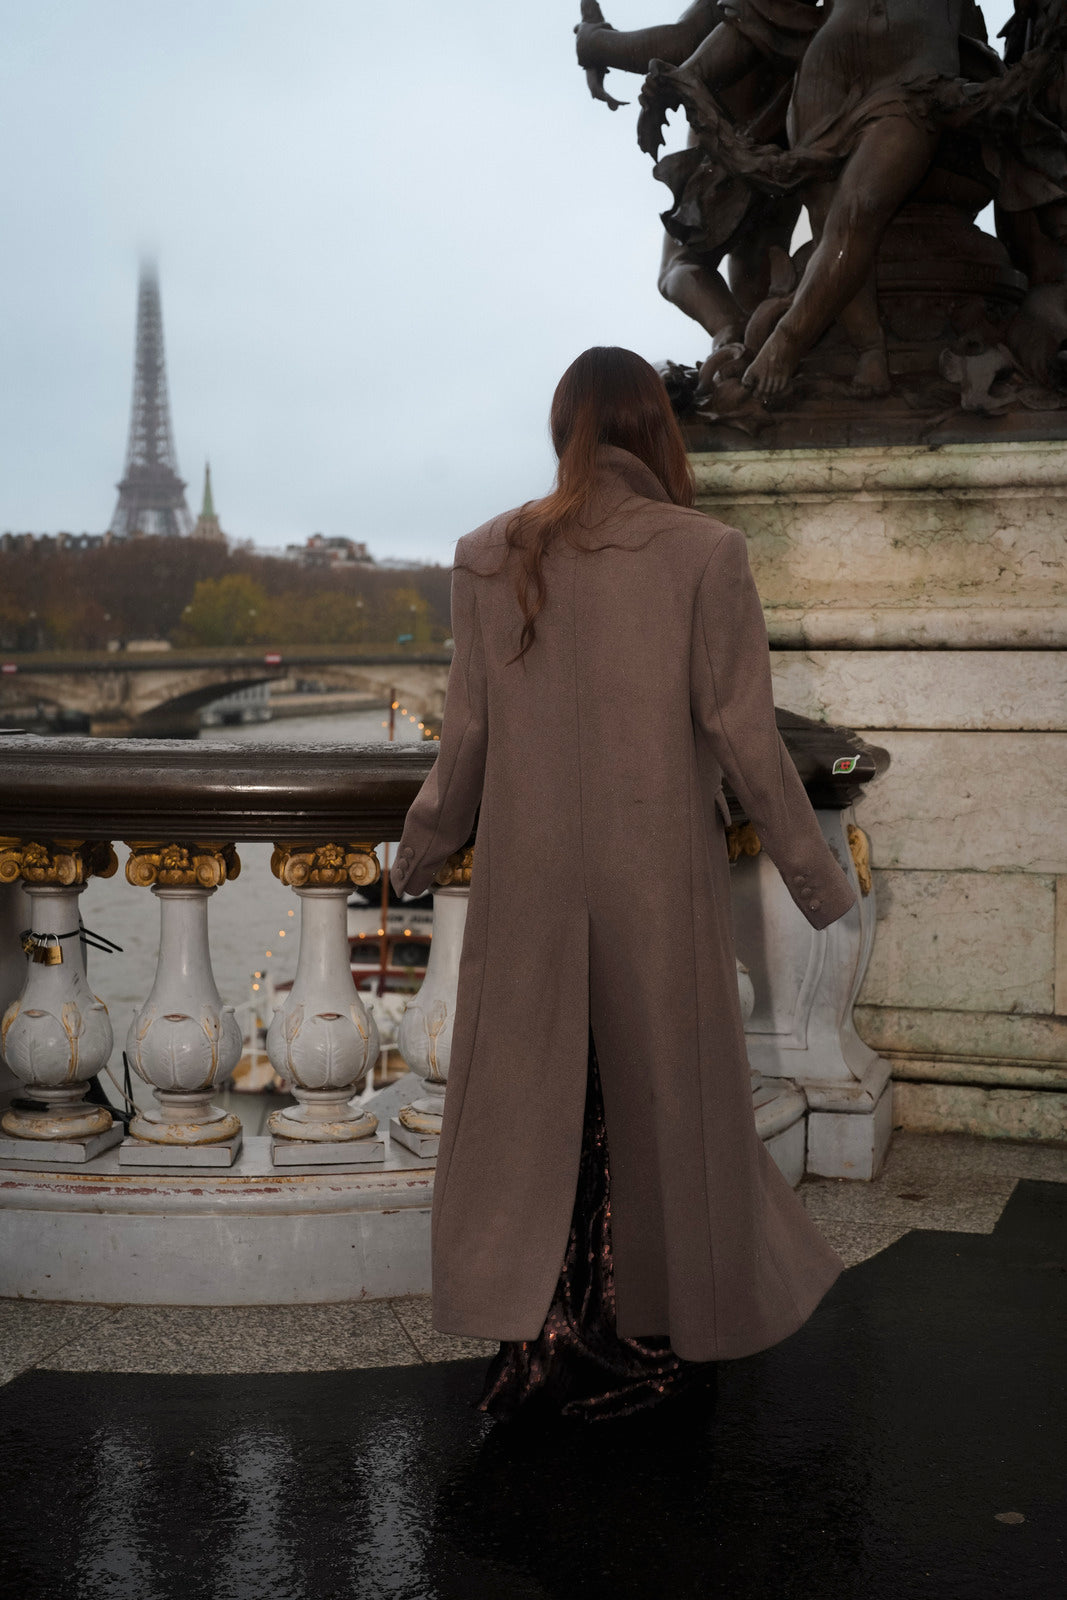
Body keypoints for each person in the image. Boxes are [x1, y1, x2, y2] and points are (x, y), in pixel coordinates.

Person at [390, 347, 856, 1420]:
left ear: (563, 428)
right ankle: (647, 1326)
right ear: (656, 432)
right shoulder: (704, 554)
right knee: (661, 1111)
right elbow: (746, 740)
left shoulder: (484, 554)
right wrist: (816, 881)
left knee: (528, 1112)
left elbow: (461, 749)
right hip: (657, 889)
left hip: (528, 888)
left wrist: (417, 858)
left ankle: (540, 1332)